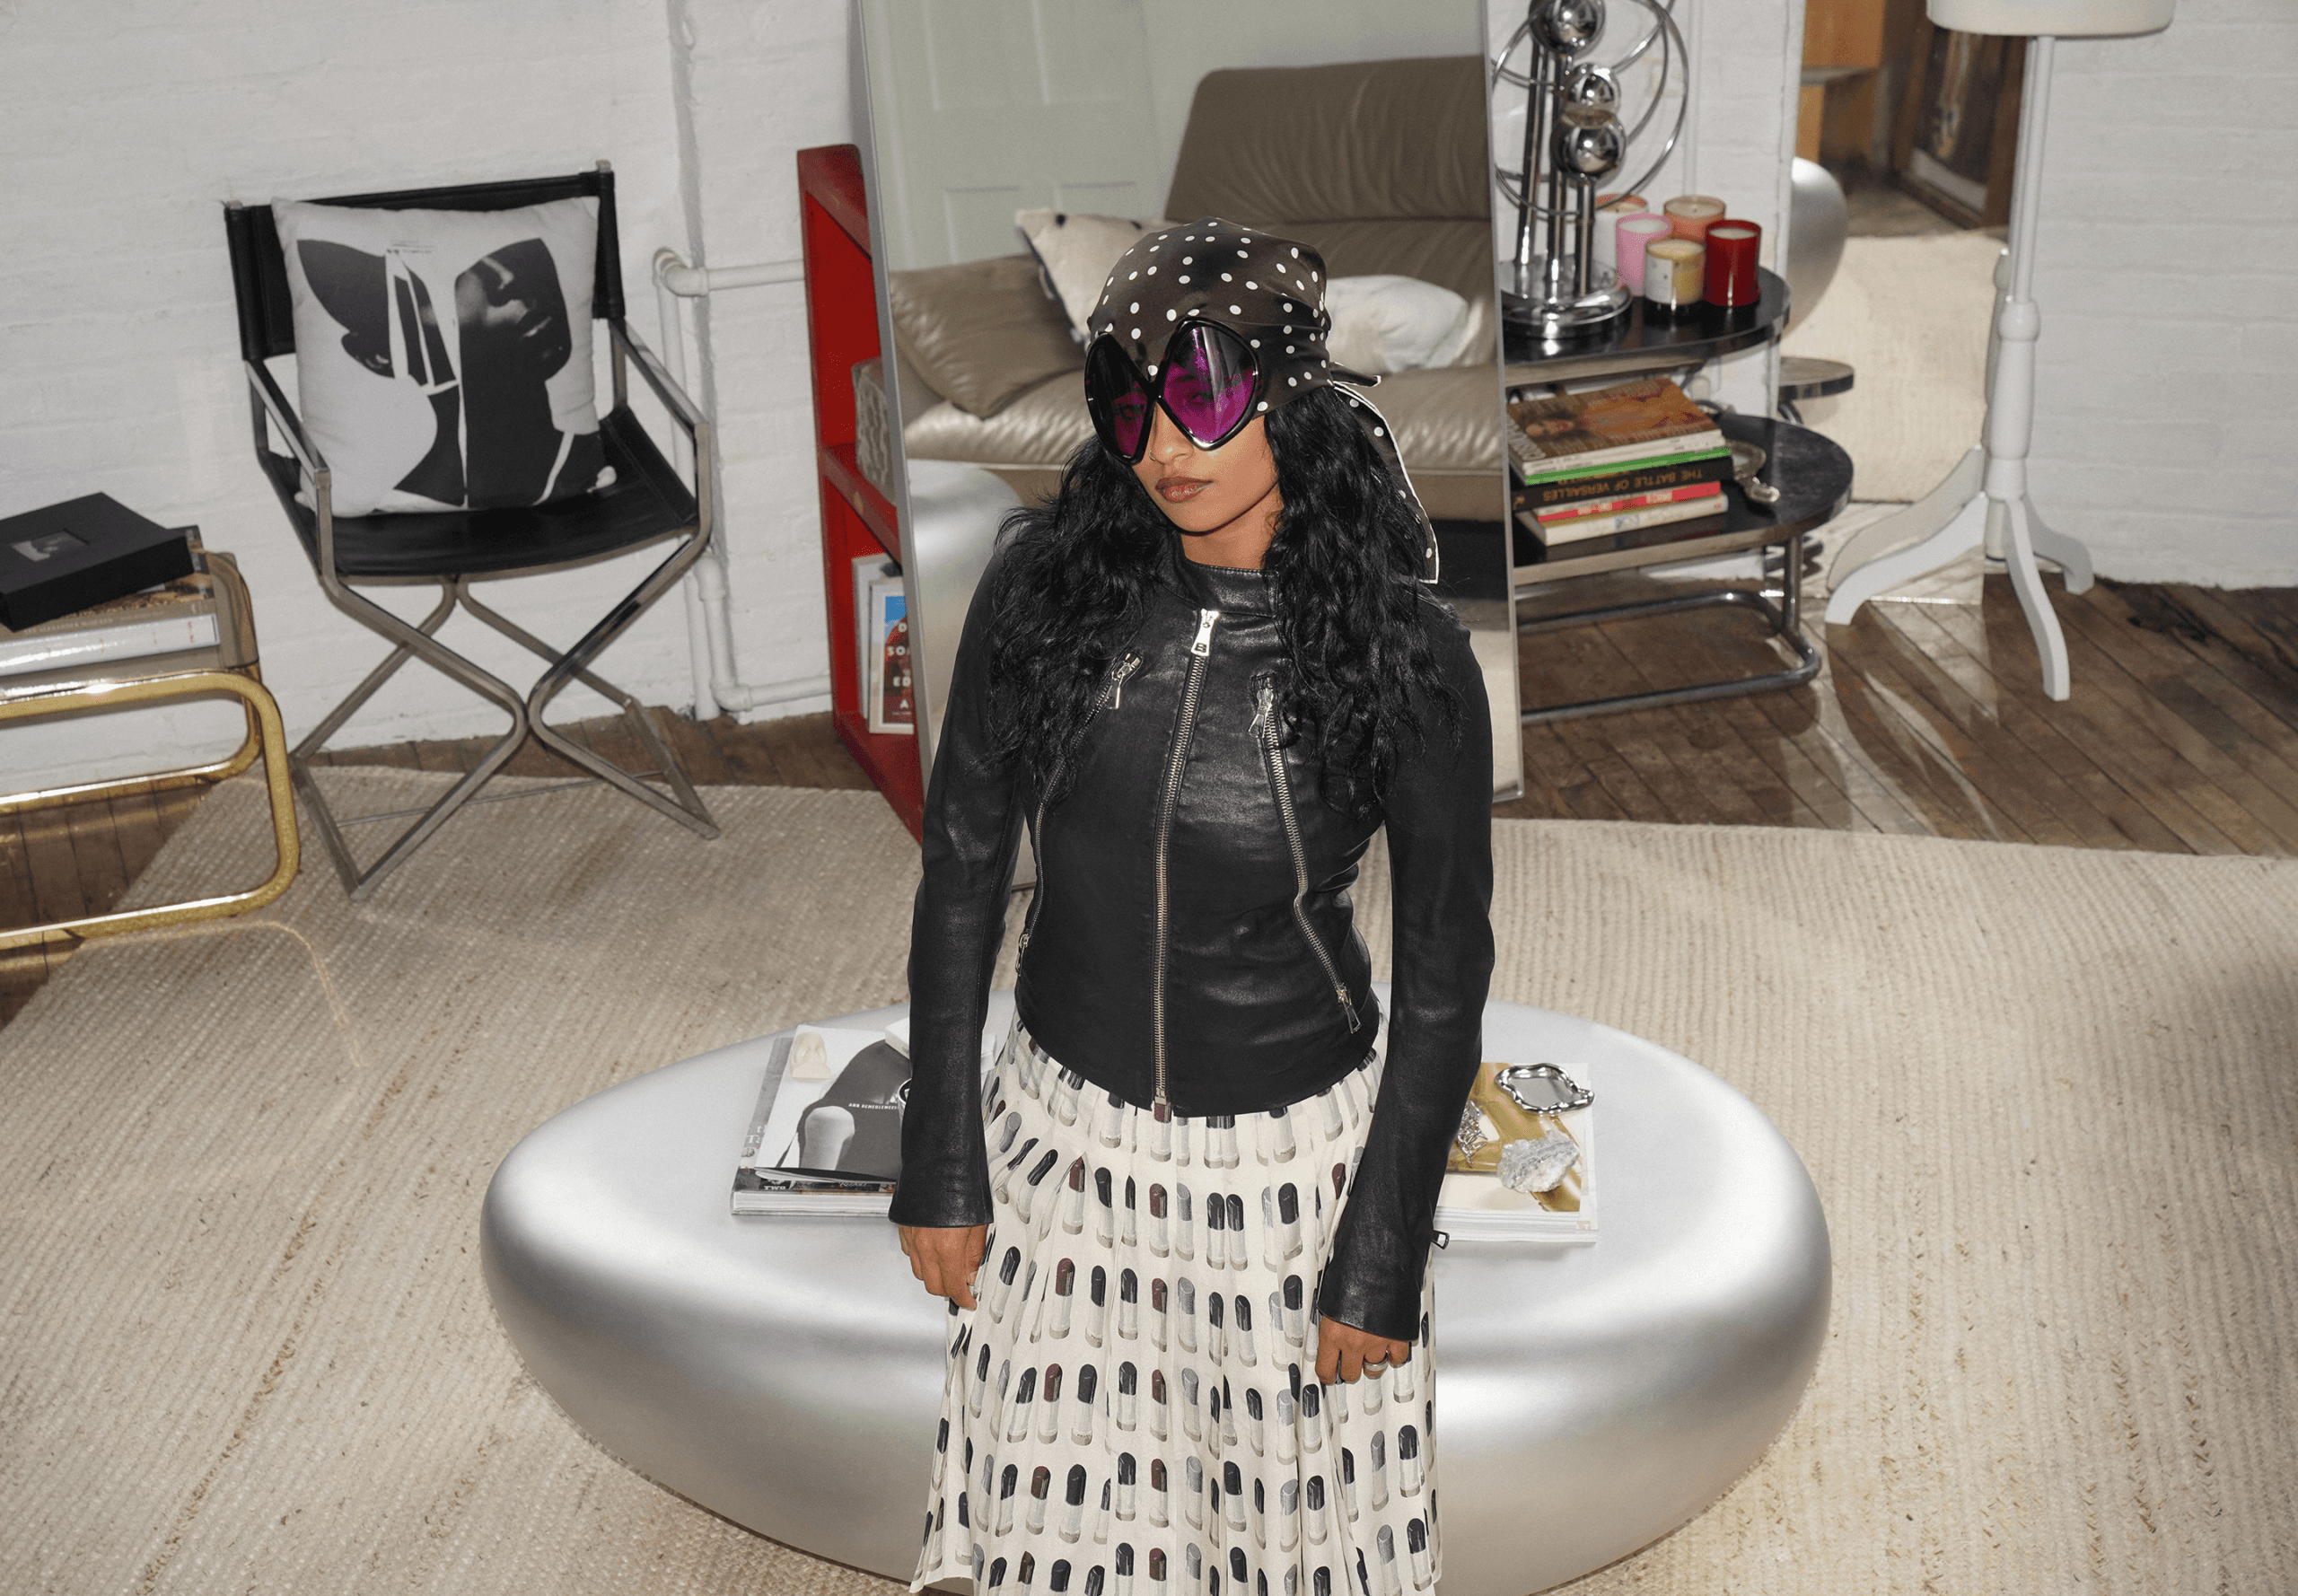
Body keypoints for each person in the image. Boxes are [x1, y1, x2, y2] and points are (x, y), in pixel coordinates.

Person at [893, 218, 1494, 1596]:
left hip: (1287, 1174)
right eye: (1129, 402)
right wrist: (941, 1152)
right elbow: (964, 867)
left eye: (1204, 396)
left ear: (1291, 394)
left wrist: (1383, 1247)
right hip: (1066, 1144)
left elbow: (1445, 975)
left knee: (1282, 1544)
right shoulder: (1041, 590)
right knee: (1066, 1543)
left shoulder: (1410, 659)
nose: (1165, 444)